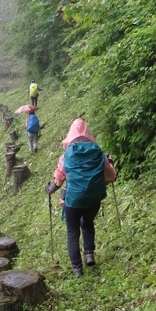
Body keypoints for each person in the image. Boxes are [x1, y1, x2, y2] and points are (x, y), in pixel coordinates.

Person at [46, 118, 116, 277]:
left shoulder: (66, 156)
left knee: (72, 232)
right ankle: (89, 254)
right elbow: (111, 176)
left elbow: (58, 181)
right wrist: (110, 164)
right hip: (93, 199)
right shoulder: (98, 152)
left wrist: (49, 189)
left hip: (73, 201)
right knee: (88, 223)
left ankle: (77, 269)